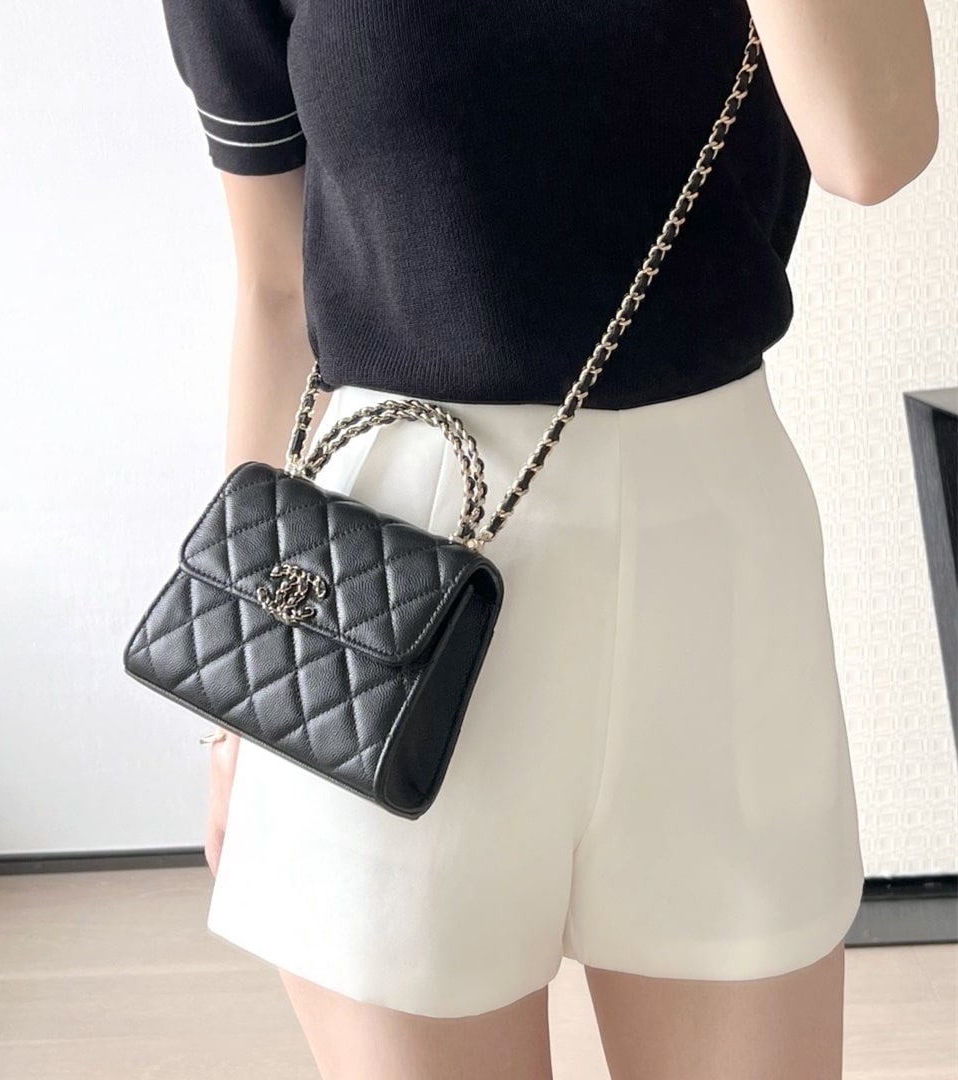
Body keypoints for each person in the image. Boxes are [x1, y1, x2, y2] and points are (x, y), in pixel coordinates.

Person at [159, 1, 938, 1077]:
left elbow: (873, 147)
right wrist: (237, 698)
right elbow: (275, 285)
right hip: (380, 585)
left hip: (714, 571)